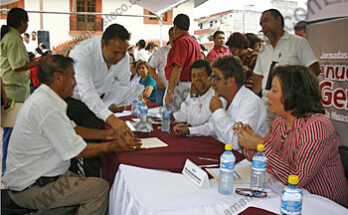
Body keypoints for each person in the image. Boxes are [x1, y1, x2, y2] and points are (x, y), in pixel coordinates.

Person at [2, 55, 139, 214]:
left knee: (78, 189)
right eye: (72, 76)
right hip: (32, 187)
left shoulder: (46, 98)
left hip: (41, 178)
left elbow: (74, 129)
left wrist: (109, 134)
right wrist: (115, 145)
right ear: (58, 77)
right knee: (98, 189)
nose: (75, 82)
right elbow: (79, 151)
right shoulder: (47, 106)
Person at [234, 65, 347, 206]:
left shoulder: (317, 126)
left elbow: (297, 179)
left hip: (322, 204)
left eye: (274, 91)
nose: (268, 94)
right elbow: (264, 160)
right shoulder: (280, 122)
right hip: (288, 195)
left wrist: (260, 144)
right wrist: (247, 138)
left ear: (294, 94)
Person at [68, 23, 137, 177]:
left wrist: (115, 102)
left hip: (99, 103)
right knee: (76, 147)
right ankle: (77, 186)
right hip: (75, 101)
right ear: (103, 43)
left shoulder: (123, 57)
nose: (119, 57)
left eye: (123, 52)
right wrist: (112, 118)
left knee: (95, 151)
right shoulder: (82, 54)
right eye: (115, 52)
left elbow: (123, 84)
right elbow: (87, 94)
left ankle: (94, 185)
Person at [174, 56, 268, 151]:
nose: (212, 82)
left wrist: (218, 111)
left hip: (246, 160)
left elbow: (237, 142)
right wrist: (190, 131)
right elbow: (212, 128)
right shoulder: (223, 98)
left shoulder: (251, 103)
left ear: (230, 81)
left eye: (217, 78)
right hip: (223, 151)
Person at [0, 8, 41, 175]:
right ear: (22, 22)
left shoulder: (10, 37)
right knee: (11, 132)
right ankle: (6, 169)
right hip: (13, 93)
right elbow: (18, 66)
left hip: (14, 91)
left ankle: (10, 168)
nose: (27, 25)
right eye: (27, 22)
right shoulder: (13, 38)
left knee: (14, 132)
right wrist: (40, 62)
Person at [252, 9, 319, 97]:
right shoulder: (263, 49)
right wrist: (255, 100)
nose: (263, 25)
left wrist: (295, 90)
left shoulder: (297, 42)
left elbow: (314, 69)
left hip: (290, 102)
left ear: (279, 20)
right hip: (267, 101)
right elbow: (258, 76)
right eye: (261, 24)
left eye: (266, 21)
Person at [164, 14, 201, 112]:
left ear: (175, 27)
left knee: (174, 117)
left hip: (180, 86)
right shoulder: (194, 42)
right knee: (186, 117)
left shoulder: (181, 42)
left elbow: (177, 68)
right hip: (191, 85)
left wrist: (170, 91)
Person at [173, 60, 214, 129]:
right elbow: (184, 113)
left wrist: (194, 96)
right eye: (193, 76)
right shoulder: (195, 92)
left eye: (200, 75)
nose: (196, 79)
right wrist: (169, 118)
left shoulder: (214, 95)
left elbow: (197, 122)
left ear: (210, 78)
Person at [148, 27, 174, 105]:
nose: (175, 37)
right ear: (169, 37)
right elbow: (151, 67)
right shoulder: (161, 51)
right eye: (172, 35)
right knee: (159, 110)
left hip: (176, 90)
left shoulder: (182, 50)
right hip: (162, 87)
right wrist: (157, 80)